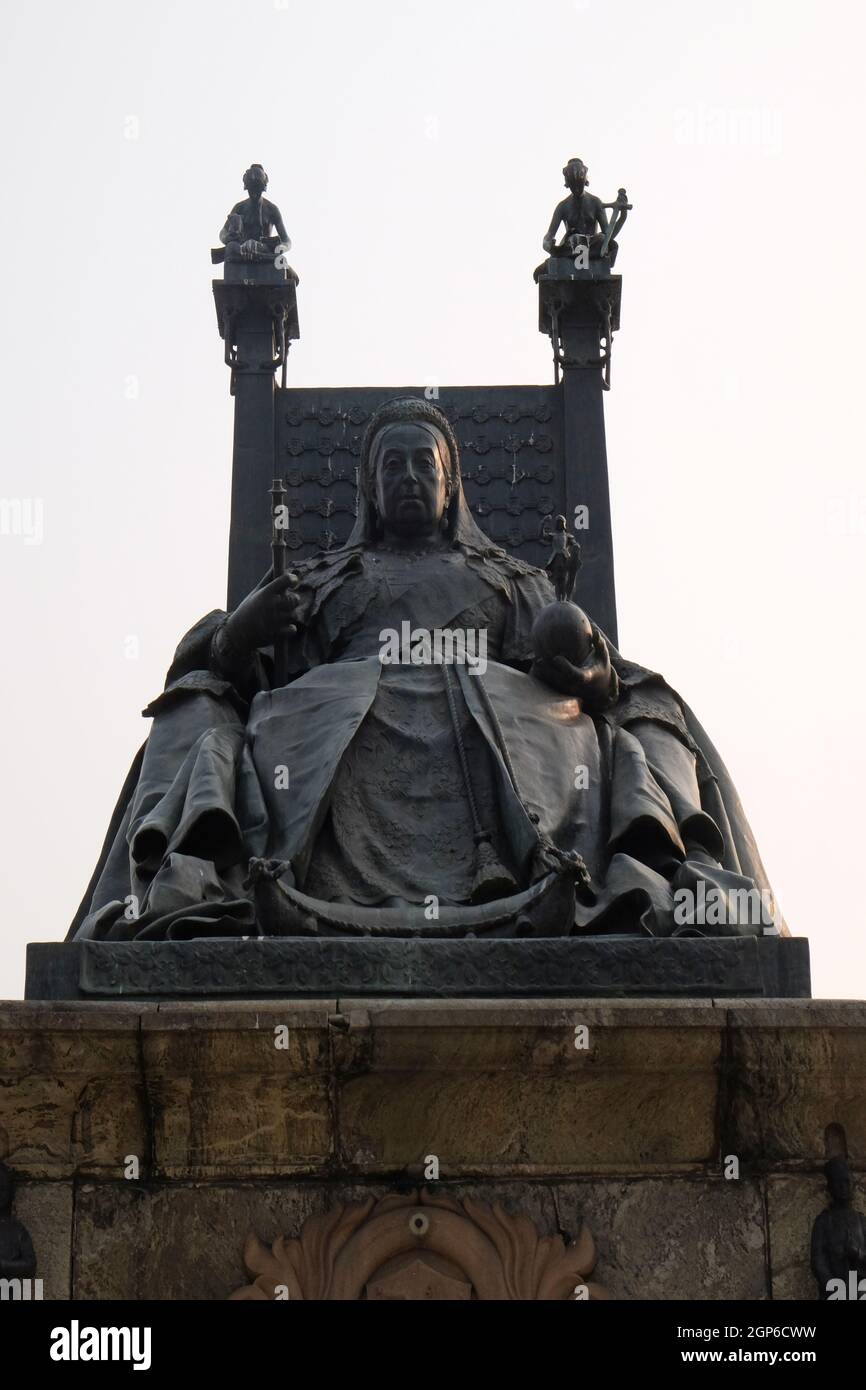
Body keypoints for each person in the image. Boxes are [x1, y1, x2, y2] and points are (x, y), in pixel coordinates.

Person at [70, 397, 778, 942]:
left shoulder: (514, 582)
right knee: (201, 712)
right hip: (325, 723)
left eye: (423, 465)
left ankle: (644, 880)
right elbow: (228, 673)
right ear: (371, 491)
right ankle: (202, 888)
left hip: (503, 718)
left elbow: (609, 675)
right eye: (392, 467)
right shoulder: (317, 582)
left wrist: (592, 676)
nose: (408, 478)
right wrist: (236, 637)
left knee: (645, 722)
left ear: (450, 485)